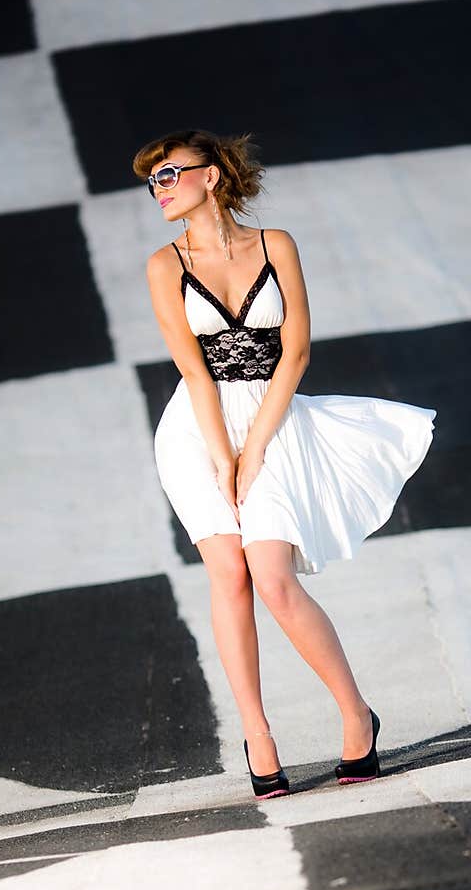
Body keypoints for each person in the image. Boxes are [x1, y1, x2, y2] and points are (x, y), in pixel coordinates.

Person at [134, 128, 437, 800]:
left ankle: (357, 716)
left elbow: (295, 354)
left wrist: (256, 450)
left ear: (209, 176)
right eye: (151, 182)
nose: (157, 190)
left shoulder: (276, 245)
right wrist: (223, 457)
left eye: (167, 176)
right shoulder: (163, 265)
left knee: (273, 579)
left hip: (275, 418)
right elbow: (191, 367)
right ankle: (258, 736)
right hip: (196, 428)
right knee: (229, 574)